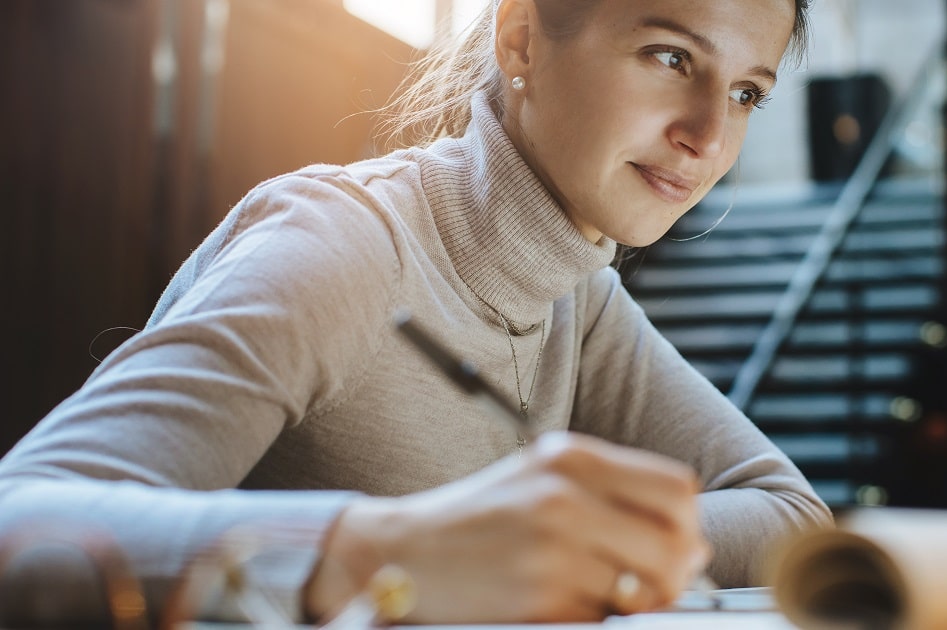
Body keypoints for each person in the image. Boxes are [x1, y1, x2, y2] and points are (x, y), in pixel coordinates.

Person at [0, 0, 830, 625]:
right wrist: (389, 552)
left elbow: (793, 517)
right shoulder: (343, 245)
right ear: (522, 40)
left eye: (749, 92)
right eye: (671, 56)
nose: (710, 133)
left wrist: (576, 538)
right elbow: (22, 518)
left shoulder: (580, 294)